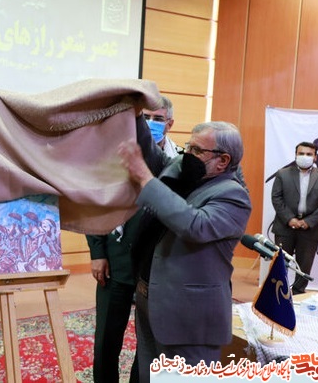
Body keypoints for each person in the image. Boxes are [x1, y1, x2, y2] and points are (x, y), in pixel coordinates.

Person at [117, 117, 251, 382]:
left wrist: (145, 178)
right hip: (152, 298)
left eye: (197, 150)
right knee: (148, 374)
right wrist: (135, 113)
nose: (187, 155)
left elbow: (194, 225)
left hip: (188, 315)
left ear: (223, 160)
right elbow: (152, 151)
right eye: (188, 146)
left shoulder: (233, 195)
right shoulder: (190, 175)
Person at [86, 96, 181, 383]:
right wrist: (97, 253)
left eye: (158, 119)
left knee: (148, 341)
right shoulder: (115, 158)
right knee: (106, 339)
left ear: (170, 123)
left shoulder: (178, 163)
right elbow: (96, 206)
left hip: (154, 269)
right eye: (146, 118)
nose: (151, 124)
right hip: (114, 262)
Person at [271, 141, 318, 295]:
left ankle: (298, 294)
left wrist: (308, 221)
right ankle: (278, 296)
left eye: (309, 154)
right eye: (301, 153)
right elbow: (276, 198)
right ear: (295, 155)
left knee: (304, 267)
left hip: (310, 229)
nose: (304, 156)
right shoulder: (282, 174)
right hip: (284, 227)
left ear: (315, 157)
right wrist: (289, 219)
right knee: (280, 265)